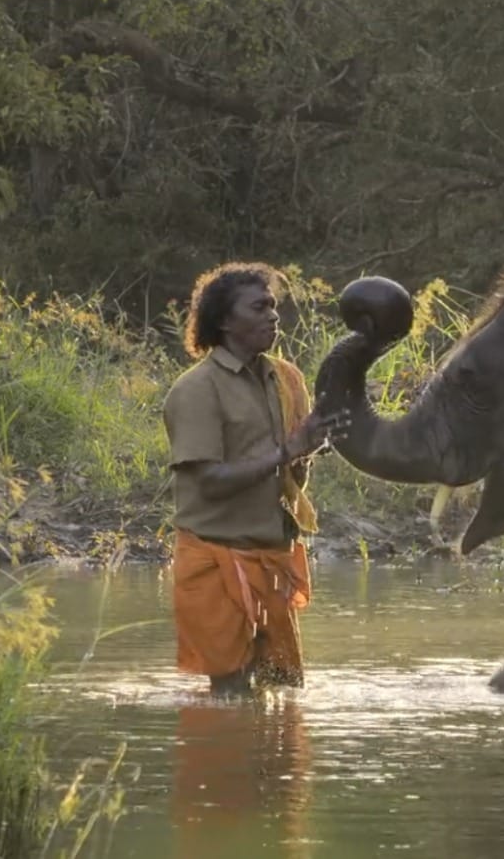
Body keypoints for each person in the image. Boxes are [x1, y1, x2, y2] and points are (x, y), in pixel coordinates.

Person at [162, 262, 350, 696]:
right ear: (225, 321)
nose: (273, 315)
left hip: (271, 558)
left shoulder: (286, 379)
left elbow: (291, 477)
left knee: (283, 692)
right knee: (228, 694)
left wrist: (306, 451)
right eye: (259, 307)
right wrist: (287, 451)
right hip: (214, 559)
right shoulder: (196, 390)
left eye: (273, 306)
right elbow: (209, 481)